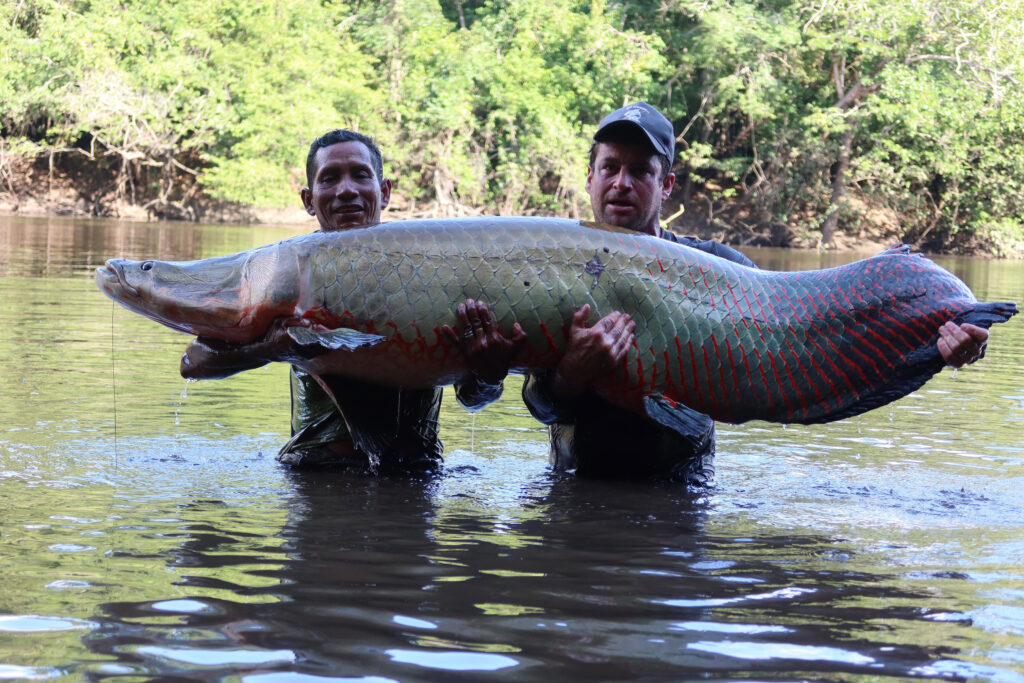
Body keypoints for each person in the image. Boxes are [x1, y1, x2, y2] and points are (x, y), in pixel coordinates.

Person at [479, 102, 989, 485]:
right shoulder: (549, 268)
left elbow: (823, 334)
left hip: (681, 489)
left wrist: (940, 337)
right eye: (610, 167)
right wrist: (572, 373)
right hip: (573, 486)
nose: (621, 183)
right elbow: (542, 405)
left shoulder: (723, 270)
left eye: (641, 171)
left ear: (668, 185)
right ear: (589, 177)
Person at [179, 129, 519, 472]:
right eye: (329, 179)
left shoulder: (429, 268)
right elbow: (194, 363)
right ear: (309, 200)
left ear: (384, 192)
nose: (346, 190)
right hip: (314, 472)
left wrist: (490, 375)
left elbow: (474, 400)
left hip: (414, 475)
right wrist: (275, 349)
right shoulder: (289, 272)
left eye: (360, 175)